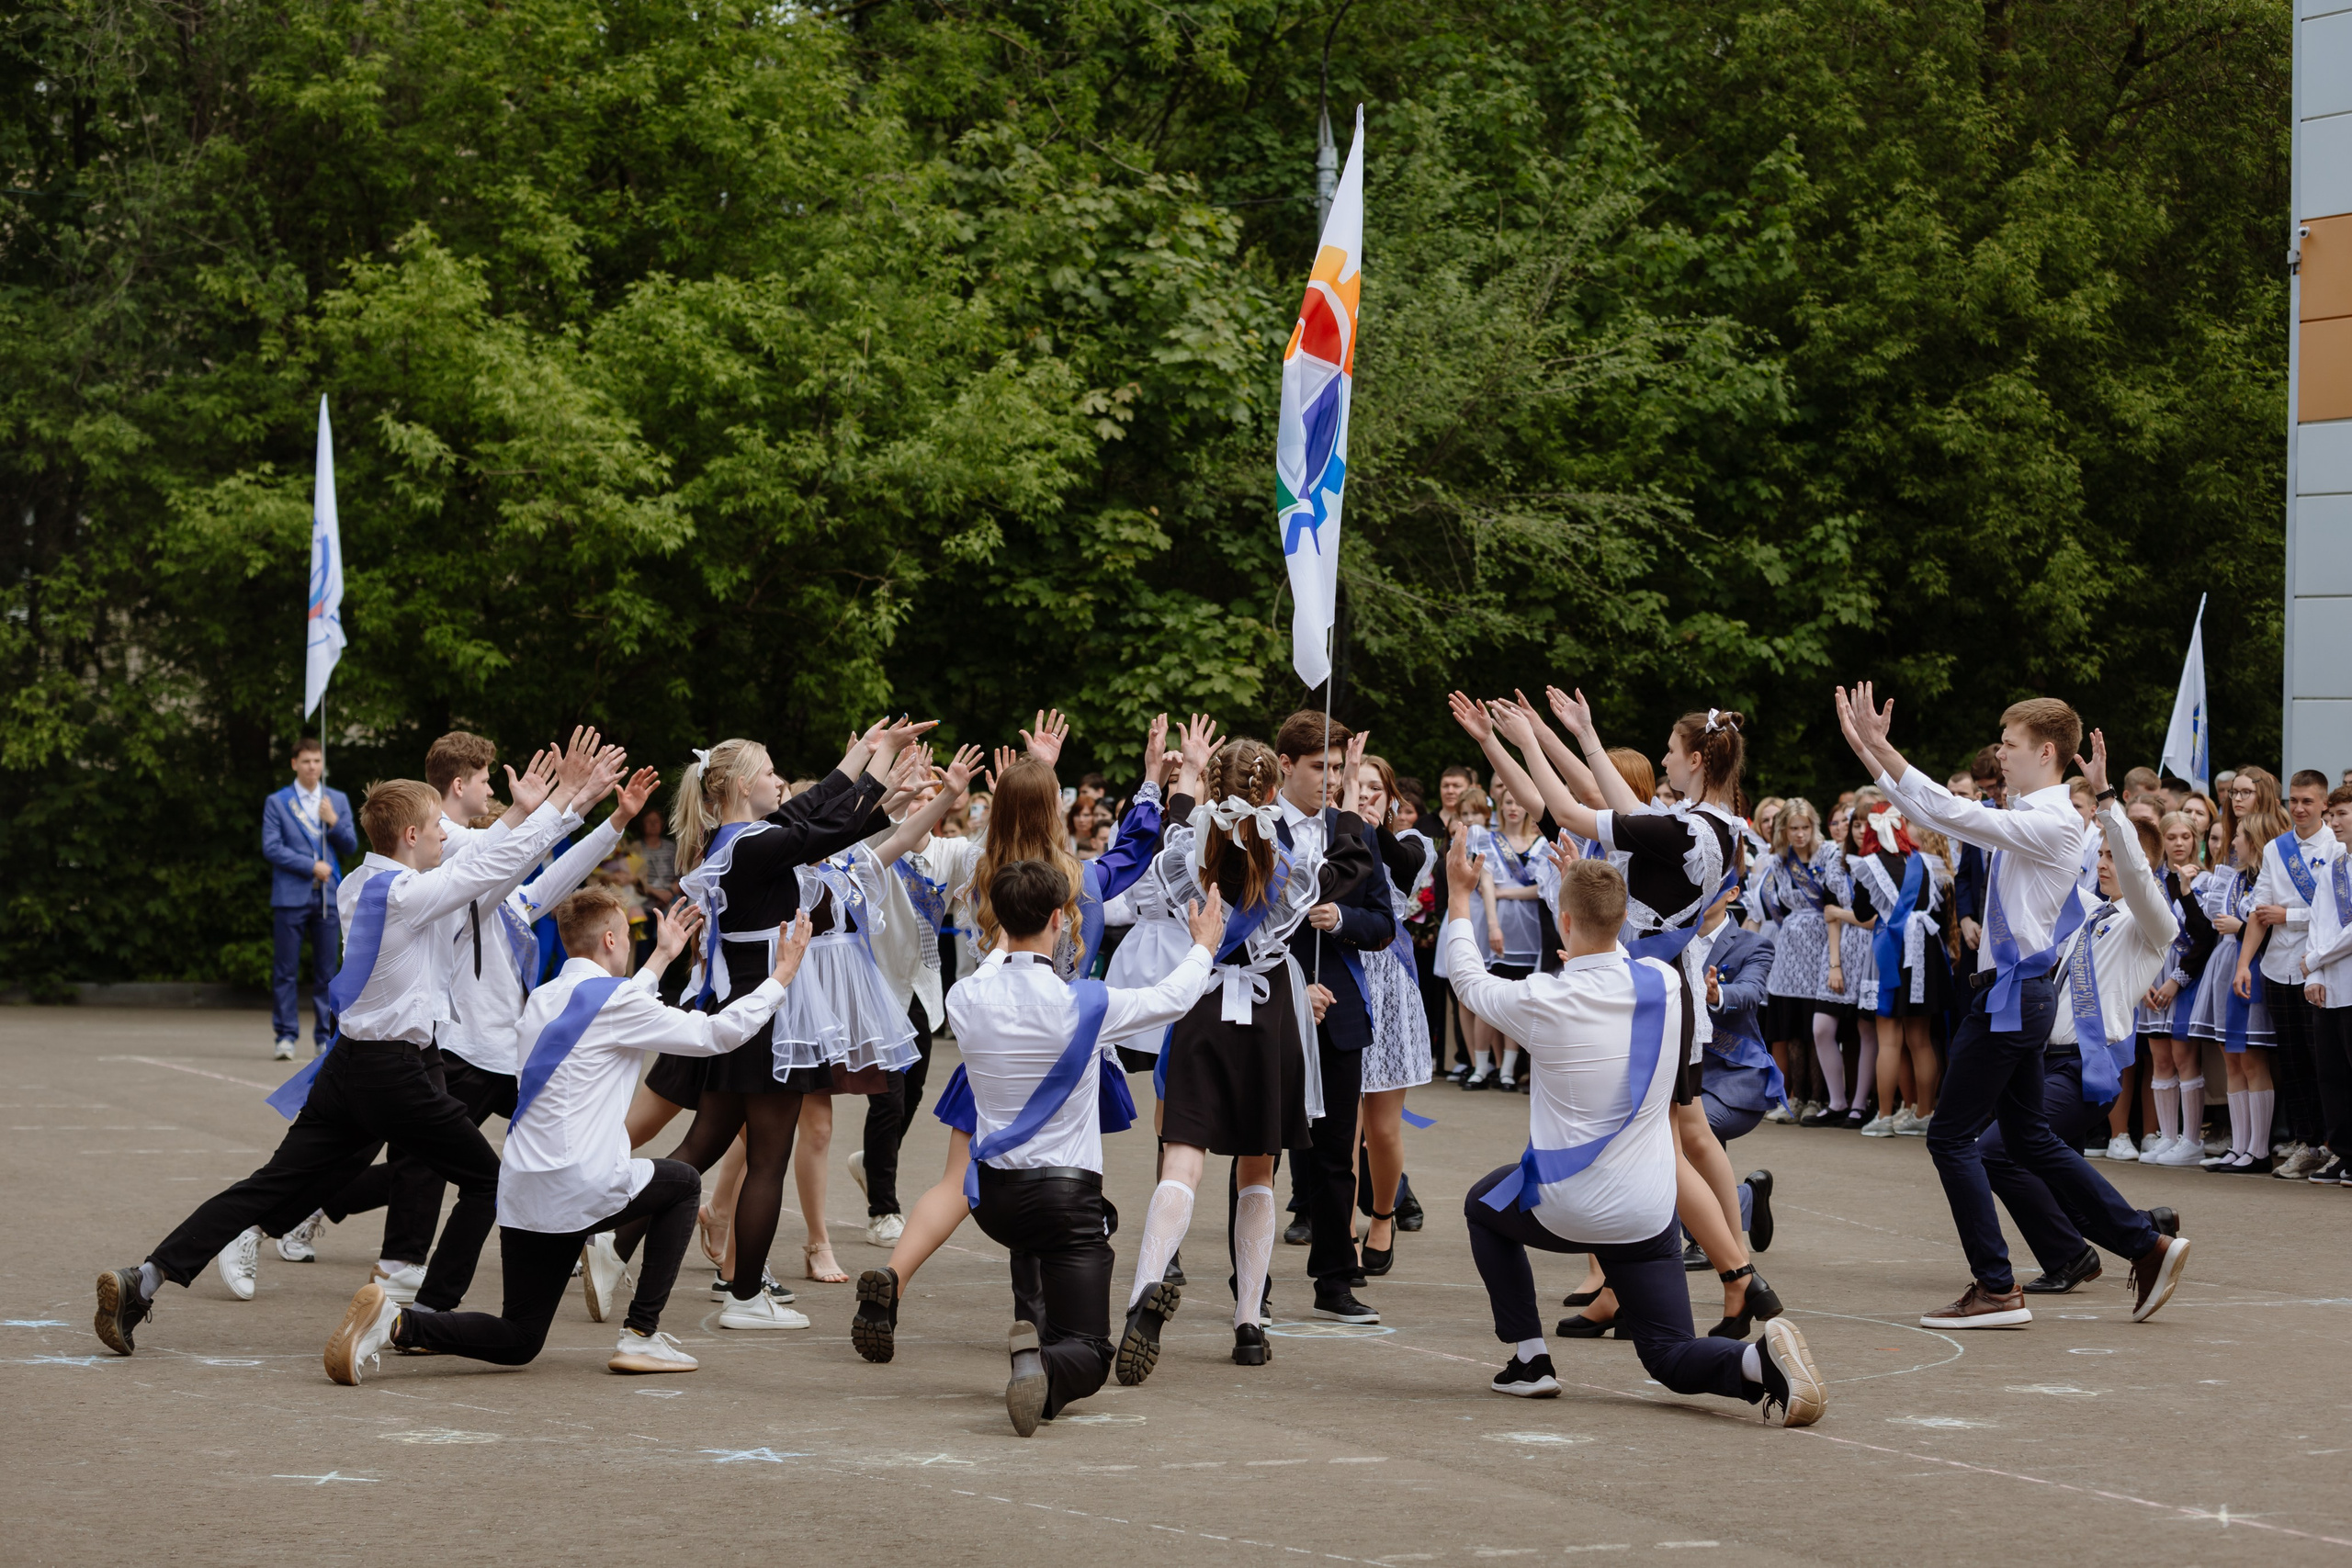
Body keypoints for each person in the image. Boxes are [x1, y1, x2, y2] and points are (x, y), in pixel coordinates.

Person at [95, 739, 621, 1356]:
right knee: (490, 1182)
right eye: (436, 831)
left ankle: (145, 1278)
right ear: (408, 835)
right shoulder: (414, 896)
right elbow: (486, 866)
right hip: (395, 1074)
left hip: (348, 1069)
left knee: (267, 1185)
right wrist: (557, 805)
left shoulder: (360, 884)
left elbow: (489, 863)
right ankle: (428, 1314)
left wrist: (542, 808)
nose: (446, 837)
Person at [322, 890, 812, 1383]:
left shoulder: (545, 999)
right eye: (631, 936)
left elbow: (615, 1006)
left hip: (523, 1188)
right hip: (582, 1184)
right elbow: (716, 1035)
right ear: (611, 939)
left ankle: (397, 1323)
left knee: (520, 1338)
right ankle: (641, 1336)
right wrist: (781, 977)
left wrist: (664, 957)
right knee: (683, 1183)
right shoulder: (618, 1002)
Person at [1834, 684, 2188, 1329]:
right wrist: (1871, 751)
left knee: (1949, 1134)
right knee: (2026, 1136)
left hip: (2011, 996)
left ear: (2046, 750)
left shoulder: (2052, 818)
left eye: (2011, 742)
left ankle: (1997, 1285)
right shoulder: (2033, 811)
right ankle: (2145, 1242)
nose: (2000, 750)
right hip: (2018, 996)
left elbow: (1950, 813)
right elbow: (1941, 813)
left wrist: (1882, 747)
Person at [1444, 842, 1826, 1425]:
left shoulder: (1542, 996)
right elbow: (1623, 943)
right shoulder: (1663, 984)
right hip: (1648, 1212)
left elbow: (1468, 979)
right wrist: (1586, 887)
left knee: (1481, 1204)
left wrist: (1459, 895)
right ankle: (1757, 1362)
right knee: (1668, 1356)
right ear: (1622, 920)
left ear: (1563, 922)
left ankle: (1530, 1359)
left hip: (1564, 1207)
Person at [1456, 691, 1780, 1338]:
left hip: (1651, 990)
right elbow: (1576, 795)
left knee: (1664, 1137)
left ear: (1692, 759)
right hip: (1651, 986)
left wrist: (1537, 736)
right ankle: (1702, 1276)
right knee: (1663, 1136)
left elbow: (1570, 803)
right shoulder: (1698, 824)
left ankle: (1733, 1270)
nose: (1660, 764)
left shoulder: (1680, 827)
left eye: (1667, 752)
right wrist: (1556, 732)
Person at [629, 718, 931, 1330]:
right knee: (766, 1157)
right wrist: (879, 763)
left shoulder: (743, 838)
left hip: (740, 1003)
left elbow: (817, 805)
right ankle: (743, 1297)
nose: (779, 781)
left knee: (704, 1144)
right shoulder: (752, 844)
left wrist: (870, 752)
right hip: (760, 1008)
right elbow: (838, 824)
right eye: (769, 772)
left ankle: (612, 1242)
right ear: (742, 784)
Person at [1113, 729, 1380, 1377]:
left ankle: (1144, 1289)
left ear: (1215, 786)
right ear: (1269, 790)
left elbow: (1168, 841)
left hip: (1202, 1002)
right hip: (1268, 1014)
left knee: (1182, 1157)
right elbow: (1350, 864)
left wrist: (1186, 780)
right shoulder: (1290, 857)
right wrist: (1343, 802)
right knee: (1258, 1171)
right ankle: (1250, 1323)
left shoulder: (1186, 851)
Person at [953, 860, 1220, 1434]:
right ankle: (1040, 1363)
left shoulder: (964, 999)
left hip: (992, 1203)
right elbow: (1173, 998)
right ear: (1059, 920)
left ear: (999, 923)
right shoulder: (1088, 1005)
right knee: (1092, 1351)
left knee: (1035, 1249)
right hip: (1065, 1203)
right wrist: (1203, 946)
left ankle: (1037, 1349)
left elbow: (996, 964)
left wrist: (1006, 931)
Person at [1976, 735, 2189, 1303]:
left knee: (2000, 1151)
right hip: (2040, 1059)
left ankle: (2097, 1247)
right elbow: (2041, 866)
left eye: (2110, 857)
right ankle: (2136, 1226)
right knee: (2042, 1162)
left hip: (2085, 1067)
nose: (2101, 865)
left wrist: (2106, 800)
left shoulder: (2150, 922)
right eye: (2097, 857)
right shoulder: (2087, 915)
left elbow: (2140, 880)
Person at [1353, 752, 1436, 1280]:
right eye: (1354, 786)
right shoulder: (1328, 837)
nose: (1363, 795)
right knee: (1337, 1128)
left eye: (1374, 790)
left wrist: (1368, 826)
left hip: (1389, 980)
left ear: (1391, 802)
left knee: (1381, 1130)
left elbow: (1402, 871)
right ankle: (1338, 1231)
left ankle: (1382, 1215)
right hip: (1339, 977)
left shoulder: (1411, 843)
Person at [2242, 769, 2340, 1179]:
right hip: (2277, 967)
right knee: (2293, 1060)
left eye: (2307, 801)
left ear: (2324, 806)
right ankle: (2304, 1141)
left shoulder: (2337, 848)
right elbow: (2260, 907)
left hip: (2318, 966)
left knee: (2326, 1062)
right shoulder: (2276, 849)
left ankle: (2334, 1144)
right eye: (2293, 801)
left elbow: (2335, 909)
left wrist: (2290, 915)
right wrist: (2243, 963)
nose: (2299, 808)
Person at [2192, 809, 2290, 1169]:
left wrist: (2242, 923)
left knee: (2251, 1057)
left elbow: (2266, 923)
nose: (2232, 842)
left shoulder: (2270, 878)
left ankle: (2259, 1148)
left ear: (2255, 841)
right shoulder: (2233, 878)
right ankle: (2241, 1144)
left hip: (2252, 967)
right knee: (2231, 1057)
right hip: (2226, 966)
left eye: (2239, 836)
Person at [265, 738, 358, 1061]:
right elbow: (272, 847)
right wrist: (310, 866)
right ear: (294, 764)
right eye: (305, 761)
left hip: (328, 897)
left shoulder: (336, 800)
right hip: (291, 896)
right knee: (286, 970)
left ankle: (325, 1036)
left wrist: (333, 821)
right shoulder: (278, 802)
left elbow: (349, 845)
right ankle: (286, 1036)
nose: (312, 767)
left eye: (317, 761)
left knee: (327, 972)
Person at [2142, 810, 2219, 1167]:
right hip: (2155, 977)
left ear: (2195, 840)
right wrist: (2142, 980)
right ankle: (2168, 1136)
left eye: (2185, 837)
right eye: (2171, 837)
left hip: (2186, 978)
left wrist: (2178, 981)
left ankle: (2191, 1139)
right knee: (2160, 1059)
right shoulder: (2152, 879)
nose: (2178, 844)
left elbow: (2204, 938)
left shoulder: (2208, 880)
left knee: (2184, 1057)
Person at [1755, 800, 1838, 1127]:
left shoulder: (1828, 854)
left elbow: (1834, 898)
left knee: (1814, 1025)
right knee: (1791, 1026)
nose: (1800, 834)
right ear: (1784, 831)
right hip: (1790, 947)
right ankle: (1796, 1097)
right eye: (1793, 828)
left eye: (1805, 827)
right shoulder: (1778, 861)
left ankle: (1818, 1098)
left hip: (1822, 942)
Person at [2295, 784, 2352, 1185]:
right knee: (2332, 1075)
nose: (2333, 823)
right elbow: (2319, 919)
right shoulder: (2336, 863)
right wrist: (2314, 973)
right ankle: (2344, 1153)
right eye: (2331, 816)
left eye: (2342, 815)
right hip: (2328, 986)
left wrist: (2315, 959)